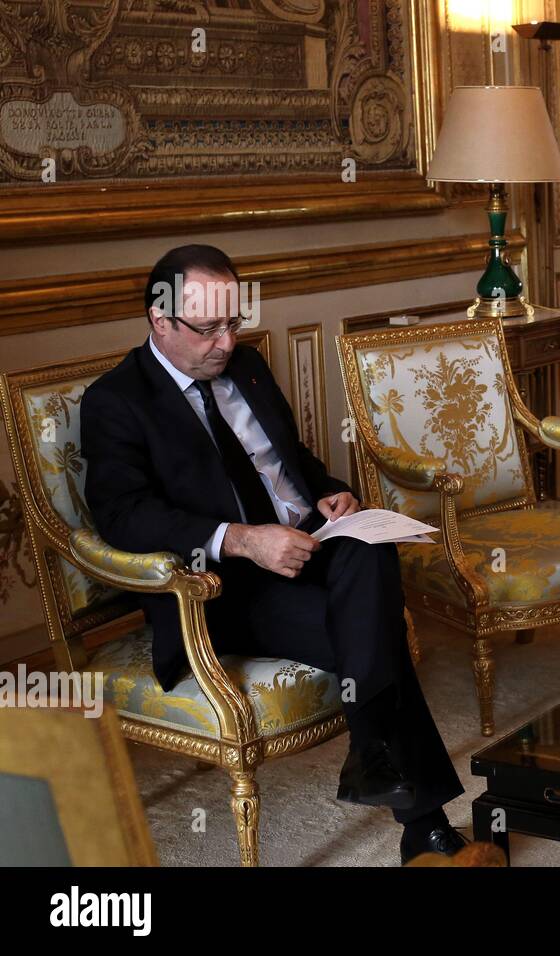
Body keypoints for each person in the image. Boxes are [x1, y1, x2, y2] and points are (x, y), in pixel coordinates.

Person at [82, 244, 465, 863]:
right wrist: (242, 539)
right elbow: (124, 516)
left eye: (234, 323)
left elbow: (292, 461)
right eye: (207, 329)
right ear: (160, 321)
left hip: (310, 547)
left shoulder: (250, 368)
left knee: (372, 555)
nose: (226, 342)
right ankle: (425, 826)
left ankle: (373, 757)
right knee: (376, 629)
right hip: (219, 590)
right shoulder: (117, 401)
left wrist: (331, 494)